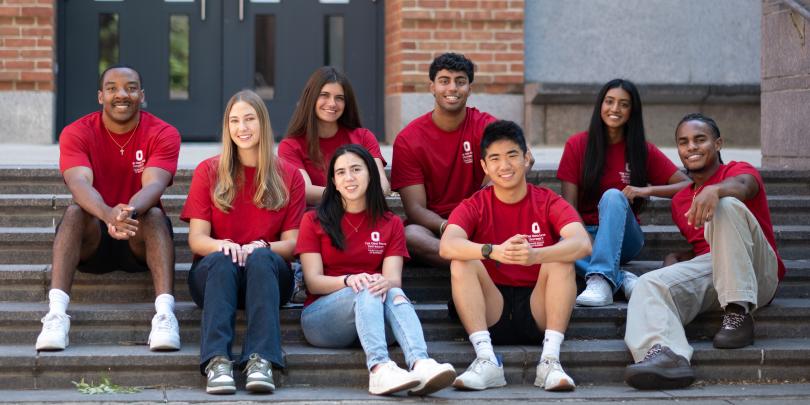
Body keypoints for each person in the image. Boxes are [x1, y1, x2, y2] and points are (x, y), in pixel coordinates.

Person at [623, 113, 784, 390]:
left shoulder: (737, 171)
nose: (691, 147)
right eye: (683, 142)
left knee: (726, 205)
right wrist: (677, 261)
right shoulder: (681, 202)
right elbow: (708, 247)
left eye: (700, 139)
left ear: (718, 143)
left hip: (758, 273)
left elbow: (744, 187)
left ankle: (737, 312)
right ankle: (665, 355)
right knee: (649, 283)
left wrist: (716, 191)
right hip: (717, 272)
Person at [36, 65, 181, 352]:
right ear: (101, 96)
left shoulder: (163, 132)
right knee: (75, 211)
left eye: (130, 87)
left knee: (154, 214)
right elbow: (78, 183)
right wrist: (106, 213)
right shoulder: (76, 132)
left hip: (138, 235)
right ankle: (56, 315)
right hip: (94, 239)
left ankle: (165, 315)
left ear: (142, 95)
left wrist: (125, 213)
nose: (122, 94)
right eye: (112, 88)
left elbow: (155, 185)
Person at [440, 121, 591, 391]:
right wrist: (491, 251)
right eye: (495, 158)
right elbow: (447, 245)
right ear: (484, 167)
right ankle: (486, 360)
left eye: (512, 155)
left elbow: (582, 243)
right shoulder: (475, 203)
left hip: (538, 308)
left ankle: (550, 362)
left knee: (560, 256)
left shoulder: (547, 200)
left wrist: (536, 255)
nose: (505, 165)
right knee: (462, 259)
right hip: (491, 307)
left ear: (526, 158)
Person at [297, 144, 456, 396]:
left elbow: (393, 279)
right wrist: (350, 280)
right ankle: (379, 368)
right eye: (340, 173)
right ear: (334, 182)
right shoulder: (314, 220)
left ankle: (420, 363)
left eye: (356, 169)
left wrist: (378, 283)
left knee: (390, 290)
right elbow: (314, 282)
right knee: (368, 286)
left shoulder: (390, 223)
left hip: (375, 318)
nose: (348, 178)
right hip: (323, 321)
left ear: (371, 174)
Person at [181, 90, 305, 394]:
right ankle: (217, 362)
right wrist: (225, 245)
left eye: (249, 119)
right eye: (234, 121)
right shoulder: (209, 171)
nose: (242, 127)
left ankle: (260, 360)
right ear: (227, 128)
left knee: (261, 258)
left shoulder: (289, 175)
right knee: (223, 259)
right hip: (215, 277)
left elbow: (292, 245)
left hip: (268, 277)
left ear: (262, 123)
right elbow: (197, 240)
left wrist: (260, 247)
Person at [557, 79, 691, 307]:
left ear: (632, 111)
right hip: (585, 231)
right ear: (600, 104)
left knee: (612, 195)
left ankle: (600, 280)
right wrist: (580, 235)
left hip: (624, 237)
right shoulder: (577, 145)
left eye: (623, 104)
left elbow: (687, 185)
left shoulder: (641, 149)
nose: (615, 109)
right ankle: (621, 278)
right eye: (609, 102)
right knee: (556, 245)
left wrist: (647, 189)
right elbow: (569, 207)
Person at [392, 52, 512, 268]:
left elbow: (523, 156)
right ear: (432, 87)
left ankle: (472, 258)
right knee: (410, 235)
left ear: (469, 88)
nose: (452, 88)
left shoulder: (484, 126)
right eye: (444, 81)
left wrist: (491, 186)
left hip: (480, 221)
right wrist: (450, 227)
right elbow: (415, 209)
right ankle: (479, 261)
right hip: (437, 228)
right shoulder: (409, 139)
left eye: (460, 81)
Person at [279, 66, 389, 206]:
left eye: (339, 98)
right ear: (311, 98)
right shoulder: (291, 146)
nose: (332, 103)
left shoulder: (363, 137)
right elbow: (305, 191)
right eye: (324, 95)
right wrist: (352, 193)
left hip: (364, 217)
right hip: (318, 220)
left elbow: (382, 185)